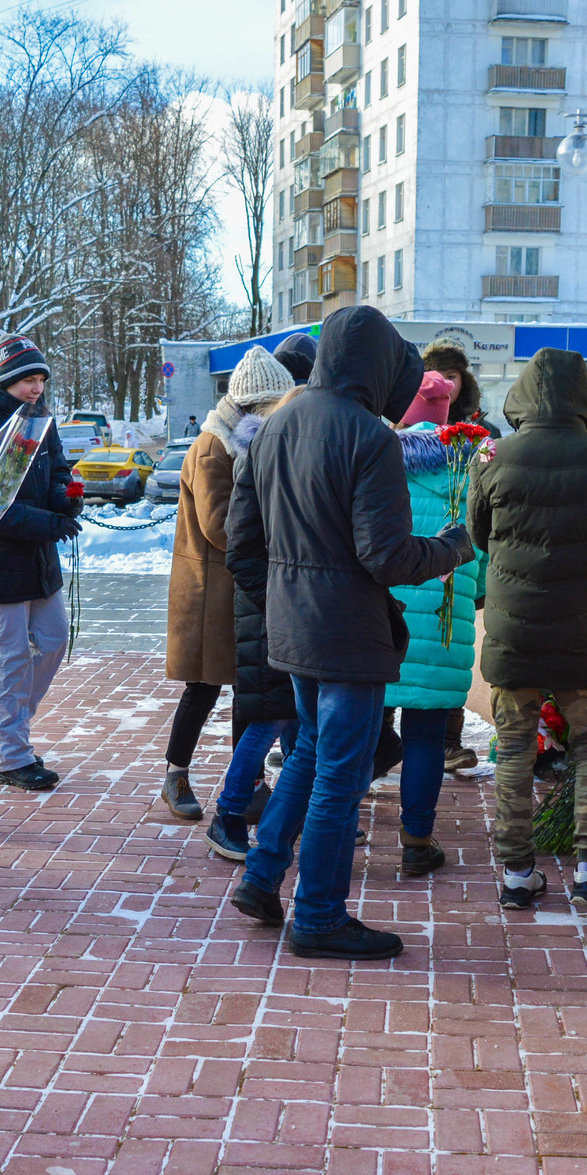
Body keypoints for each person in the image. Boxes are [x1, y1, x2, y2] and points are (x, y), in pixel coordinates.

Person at [224, 305, 472, 960]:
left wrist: (287, 602)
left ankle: (261, 876)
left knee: (311, 752)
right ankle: (319, 915)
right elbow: (386, 556)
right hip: (347, 636)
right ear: (379, 366)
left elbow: (241, 545)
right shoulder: (369, 436)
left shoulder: (275, 426)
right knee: (339, 772)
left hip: (295, 629)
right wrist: (451, 547)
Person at [471, 348, 587, 912]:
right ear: (583, 398)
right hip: (581, 631)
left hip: (512, 633)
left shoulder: (492, 455)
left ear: (523, 395)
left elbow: (479, 534)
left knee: (514, 747)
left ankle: (517, 874)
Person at [161, 345, 293, 823]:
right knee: (202, 689)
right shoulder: (213, 446)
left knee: (246, 689)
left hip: (237, 589)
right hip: (208, 595)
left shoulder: (244, 441)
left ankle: (251, 782)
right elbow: (219, 525)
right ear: (255, 404)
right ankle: (175, 775)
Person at [0, 335, 80, 791]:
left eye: (42, 379)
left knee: (54, 640)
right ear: (6, 378)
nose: (37, 387)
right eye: (29, 379)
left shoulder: (40, 418)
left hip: (40, 558)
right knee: (9, 657)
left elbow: (58, 469)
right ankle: (11, 756)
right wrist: (48, 522)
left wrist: (67, 497)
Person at [379, 422, 485, 877]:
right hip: (445, 631)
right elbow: (481, 562)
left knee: (363, 728)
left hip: (385, 625)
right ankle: (417, 842)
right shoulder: (467, 482)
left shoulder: (383, 474)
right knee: (426, 738)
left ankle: (337, 823)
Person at [424, 337, 501, 773]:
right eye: (437, 376)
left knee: (449, 648)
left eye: (452, 376)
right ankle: (391, 738)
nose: (446, 385)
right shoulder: (402, 433)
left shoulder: (483, 434)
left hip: (460, 558)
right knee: (415, 647)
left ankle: (448, 743)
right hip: (420, 556)